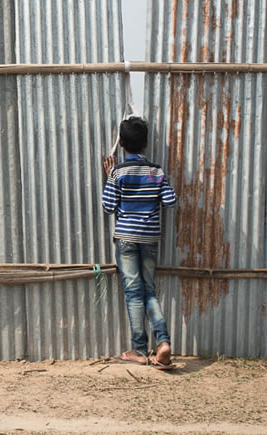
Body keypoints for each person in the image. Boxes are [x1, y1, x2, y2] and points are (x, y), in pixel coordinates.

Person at [102, 116, 177, 368]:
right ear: (145, 143)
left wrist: (110, 176)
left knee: (134, 293)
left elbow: (108, 206)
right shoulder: (156, 171)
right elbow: (170, 201)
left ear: (122, 144)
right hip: (150, 238)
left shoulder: (118, 172)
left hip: (126, 239)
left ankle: (139, 350)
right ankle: (163, 341)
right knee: (149, 290)